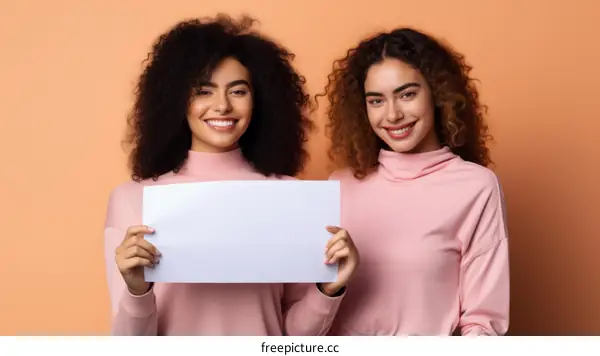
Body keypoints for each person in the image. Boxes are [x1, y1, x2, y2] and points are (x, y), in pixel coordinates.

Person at [103, 15, 359, 336]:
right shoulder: (131, 199)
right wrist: (138, 291)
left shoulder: (288, 196)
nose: (222, 106)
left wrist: (329, 289)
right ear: (177, 101)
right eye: (204, 91)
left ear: (259, 101)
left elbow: (292, 339)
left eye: (237, 91)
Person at [319, 27, 509, 336]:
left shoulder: (476, 187)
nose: (392, 114)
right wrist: (327, 288)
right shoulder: (339, 185)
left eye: (407, 94)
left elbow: (483, 323)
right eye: (376, 100)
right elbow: (307, 322)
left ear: (437, 93)